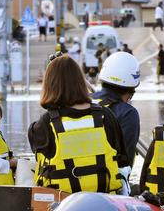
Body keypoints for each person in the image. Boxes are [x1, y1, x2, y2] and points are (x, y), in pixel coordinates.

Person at [28, 54, 129, 194]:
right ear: (81, 83)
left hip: (62, 207)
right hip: (104, 203)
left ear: (49, 85)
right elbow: (123, 163)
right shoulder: (106, 116)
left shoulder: (43, 125)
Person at [92, 52, 141, 167]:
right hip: (109, 181)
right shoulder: (128, 113)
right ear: (131, 89)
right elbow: (125, 162)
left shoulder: (83, 102)